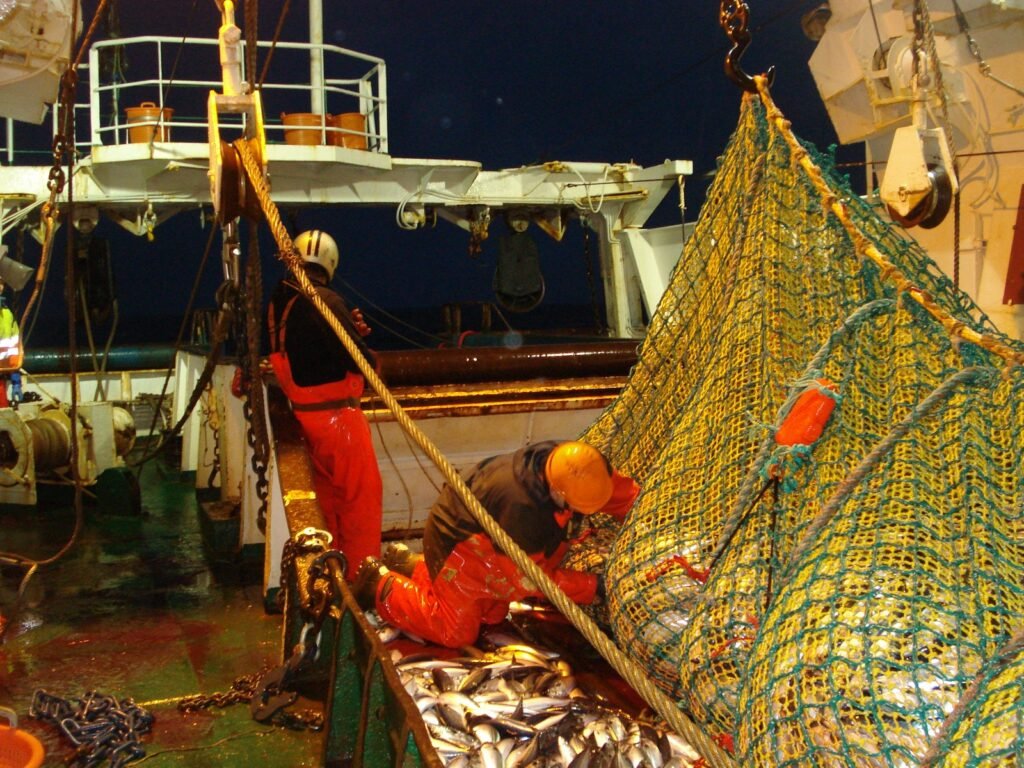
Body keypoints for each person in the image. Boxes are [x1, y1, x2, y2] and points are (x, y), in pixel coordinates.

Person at [352, 440, 639, 648]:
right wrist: (592, 587)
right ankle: (378, 584)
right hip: (458, 542)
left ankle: (411, 566)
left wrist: (646, 514)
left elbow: (619, 495)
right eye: (576, 506)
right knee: (456, 633)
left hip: (493, 537)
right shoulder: (522, 509)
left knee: (493, 616)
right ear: (556, 489)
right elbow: (530, 580)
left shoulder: (580, 463)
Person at [267, 229, 382, 581]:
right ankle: (363, 580)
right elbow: (361, 362)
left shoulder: (279, 300)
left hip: (305, 417)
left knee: (329, 500)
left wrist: (347, 330)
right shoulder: (327, 302)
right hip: (339, 420)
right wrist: (364, 346)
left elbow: (310, 346)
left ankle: (332, 575)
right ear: (329, 263)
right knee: (361, 500)